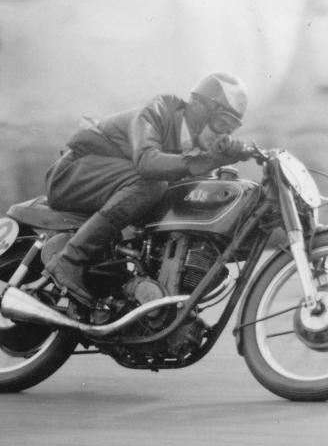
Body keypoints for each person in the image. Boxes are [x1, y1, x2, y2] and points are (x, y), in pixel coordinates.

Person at [44, 72, 252, 306]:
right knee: (152, 185)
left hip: (107, 187)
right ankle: (69, 260)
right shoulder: (157, 112)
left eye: (229, 130)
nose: (222, 135)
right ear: (200, 109)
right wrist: (207, 160)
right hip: (73, 174)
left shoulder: (195, 148)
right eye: (221, 124)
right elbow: (148, 163)